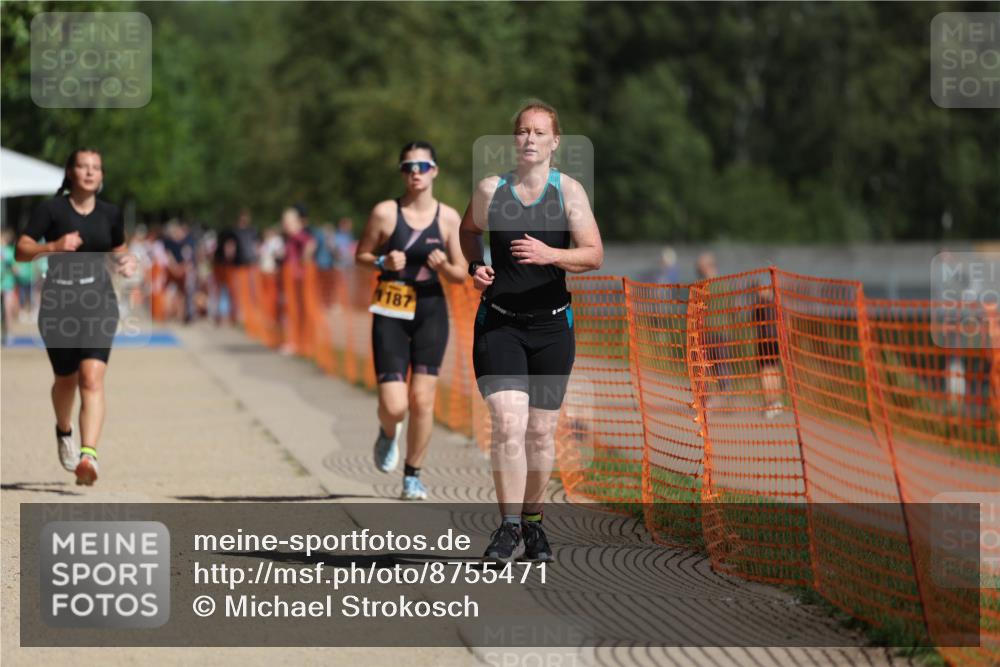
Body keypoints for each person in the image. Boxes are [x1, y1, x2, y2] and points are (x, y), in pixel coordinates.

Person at [459, 102, 603, 562]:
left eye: (540, 132)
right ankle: (506, 527)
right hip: (499, 324)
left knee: (541, 434)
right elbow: (468, 232)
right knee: (507, 424)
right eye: (522, 131)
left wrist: (550, 254)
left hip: (551, 328)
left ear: (554, 142)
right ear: (514, 139)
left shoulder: (569, 192)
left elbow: (593, 254)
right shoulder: (490, 189)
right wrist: (476, 265)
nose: (530, 138)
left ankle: (533, 522)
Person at [14, 147, 136, 485]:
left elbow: (118, 249)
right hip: (58, 307)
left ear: (102, 176)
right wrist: (53, 246)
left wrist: (126, 261)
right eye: (83, 166)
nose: (89, 172)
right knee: (65, 380)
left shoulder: (111, 214)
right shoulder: (51, 210)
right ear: (70, 172)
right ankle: (63, 430)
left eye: (96, 167)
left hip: (99, 306)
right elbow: (21, 251)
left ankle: (89, 456)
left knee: (91, 380)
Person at [355, 141, 466, 500]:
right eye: (407, 167)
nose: (414, 172)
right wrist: (381, 263)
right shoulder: (385, 213)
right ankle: (388, 432)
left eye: (421, 166)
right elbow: (361, 255)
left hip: (431, 308)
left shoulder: (448, 218)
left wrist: (444, 267)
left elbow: (461, 274)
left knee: (422, 399)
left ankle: (413, 475)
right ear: (402, 173)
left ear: (435, 170)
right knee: (394, 405)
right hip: (391, 306)